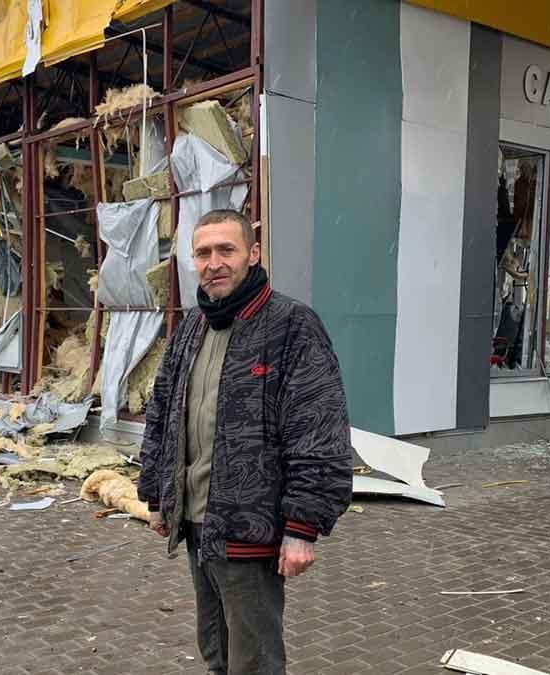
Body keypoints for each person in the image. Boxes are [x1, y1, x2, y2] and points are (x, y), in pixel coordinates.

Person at [138, 209, 353, 675]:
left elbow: (319, 431)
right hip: (198, 526)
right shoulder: (191, 327)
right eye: (203, 252)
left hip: (251, 530)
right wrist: (157, 495)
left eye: (226, 250)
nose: (214, 262)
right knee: (215, 650)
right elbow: (162, 414)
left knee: (253, 661)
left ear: (252, 254)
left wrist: (302, 527)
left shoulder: (292, 326)